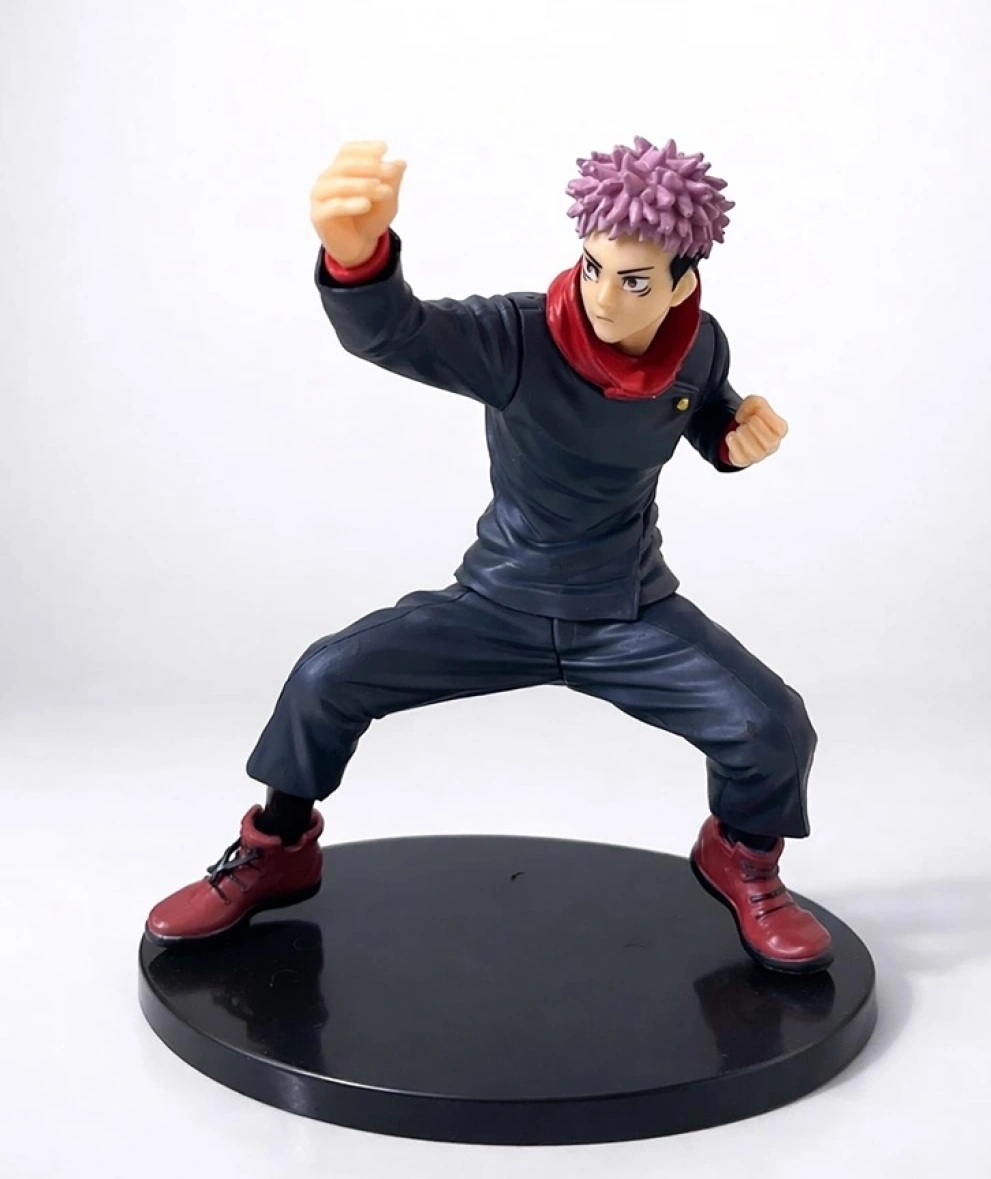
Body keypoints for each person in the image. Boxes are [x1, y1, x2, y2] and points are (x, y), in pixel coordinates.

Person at [145, 136, 832, 973]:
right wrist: (358, 262)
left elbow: (708, 413)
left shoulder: (699, 345)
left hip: (626, 611)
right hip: (502, 600)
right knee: (326, 677)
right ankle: (277, 847)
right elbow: (399, 333)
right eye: (593, 267)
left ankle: (743, 858)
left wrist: (734, 435)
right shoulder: (519, 337)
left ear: (682, 285)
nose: (603, 296)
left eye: (634, 281)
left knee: (771, 724)